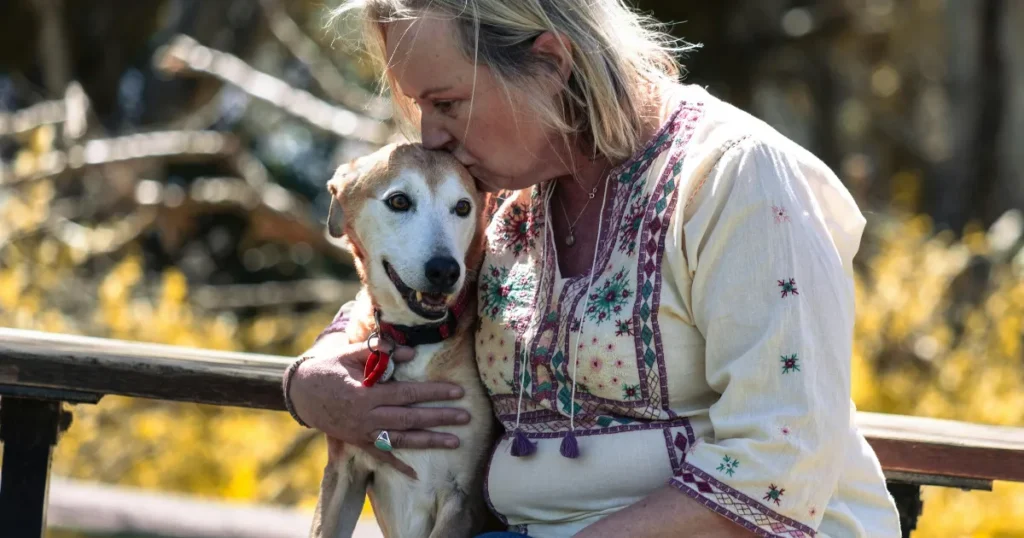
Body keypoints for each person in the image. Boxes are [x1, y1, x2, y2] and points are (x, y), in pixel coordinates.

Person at [283, 1, 903, 536]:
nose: (432, 135)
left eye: (445, 102)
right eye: (420, 106)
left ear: (550, 61)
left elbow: (783, 462)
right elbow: (406, 289)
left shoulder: (739, 178)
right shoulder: (505, 192)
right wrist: (311, 381)